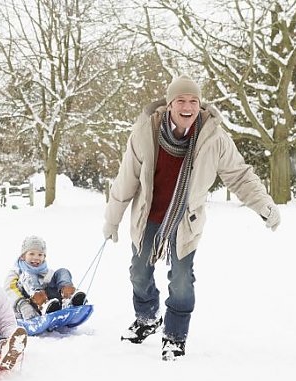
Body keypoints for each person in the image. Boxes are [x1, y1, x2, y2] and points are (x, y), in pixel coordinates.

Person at [102, 75, 281, 361]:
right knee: (138, 273)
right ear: (170, 104)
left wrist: (264, 204)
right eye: (181, 101)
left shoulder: (213, 138)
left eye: (193, 101)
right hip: (148, 217)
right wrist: (112, 219)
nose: (188, 107)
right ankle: (147, 317)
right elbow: (126, 179)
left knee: (182, 280)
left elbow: (239, 175)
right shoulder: (146, 133)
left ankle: (175, 335)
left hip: (186, 221)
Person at [5, 235, 87, 320]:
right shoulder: (16, 273)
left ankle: (69, 298)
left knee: (62, 272)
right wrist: (23, 305)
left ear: (44, 257)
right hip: (29, 307)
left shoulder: (48, 273)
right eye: (31, 254)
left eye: (40, 254)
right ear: (23, 256)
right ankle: (43, 304)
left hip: (53, 305)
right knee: (29, 276)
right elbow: (9, 292)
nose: (36, 257)